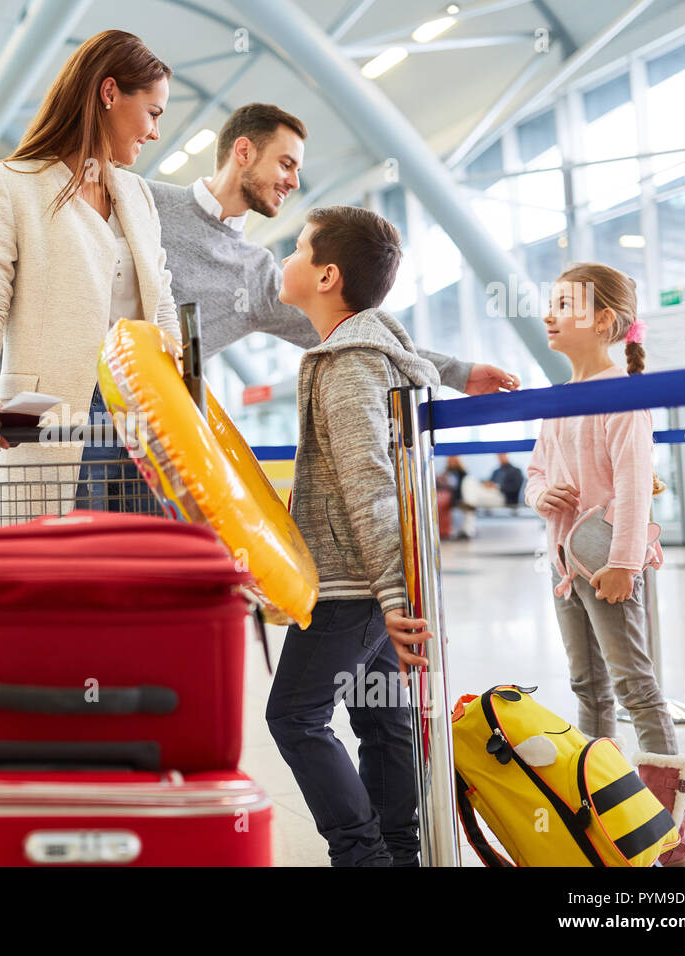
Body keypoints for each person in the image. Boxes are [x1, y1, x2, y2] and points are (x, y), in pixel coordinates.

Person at [264, 204, 435, 867]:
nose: (285, 259)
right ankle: (397, 851)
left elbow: (370, 483)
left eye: (297, 248)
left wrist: (392, 600)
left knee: (295, 717)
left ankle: (362, 857)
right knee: (381, 717)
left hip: (352, 582)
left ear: (328, 274)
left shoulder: (349, 363)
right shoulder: (375, 353)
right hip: (378, 575)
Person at [0, 30, 178, 525]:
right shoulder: (6, 185)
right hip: (53, 423)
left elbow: (161, 306)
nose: (155, 133)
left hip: (144, 422)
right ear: (109, 93)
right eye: (153, 112)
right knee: (55, 579)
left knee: (141, 579)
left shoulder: (138, 196)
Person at [148, 103, 520, 397]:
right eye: (286, 164)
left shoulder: (259, 277)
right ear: (243, 151)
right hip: (90, 407)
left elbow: (357, 331)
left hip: (147, 440)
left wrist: (460, 373)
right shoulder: (143, 200)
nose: (294, 181)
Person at [525, 261, 685, 866]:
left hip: (608, 562)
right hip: (565, 565)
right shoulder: (558, 399)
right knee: (588, 686)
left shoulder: (625, 397)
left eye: (565, 305)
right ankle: (606, 809)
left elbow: (631, 488)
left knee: (636, 688)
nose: (549, 315)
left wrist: (625, 562)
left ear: (604, 321)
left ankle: (666, 834)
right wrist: (538, 494)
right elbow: (538, 470)